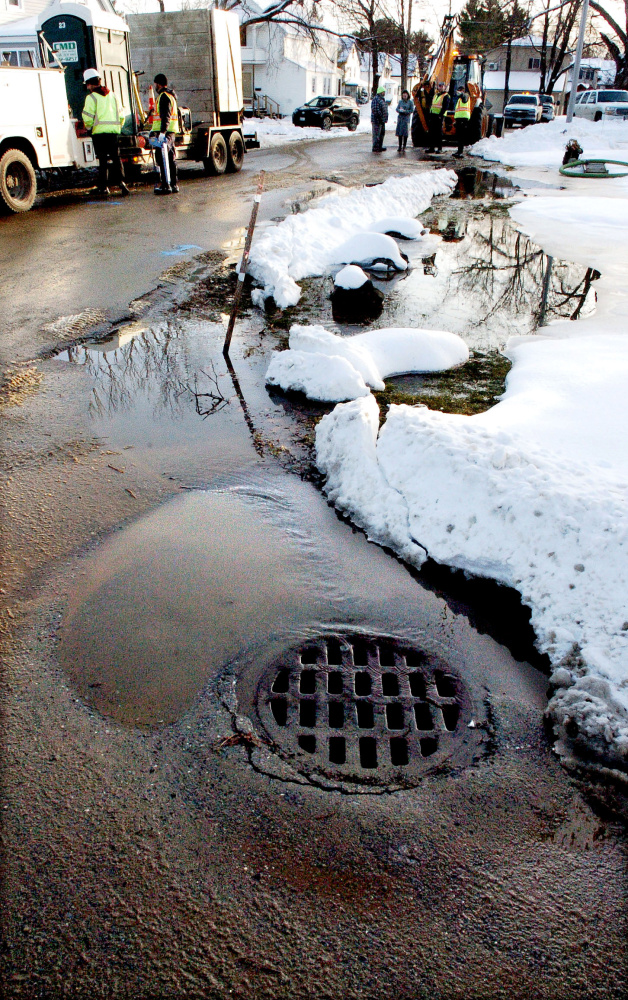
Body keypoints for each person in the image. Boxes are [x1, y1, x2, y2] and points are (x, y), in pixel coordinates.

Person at [81, 68, 129, 198]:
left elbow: (87, 117)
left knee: (102, 160)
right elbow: (121, 115)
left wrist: (89, 127)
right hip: (113, 133)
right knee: (116, 158)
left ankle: (103, 187)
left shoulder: (91, 98)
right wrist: (118, 126)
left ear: (89, 84)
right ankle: (122, 183)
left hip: (99, 134)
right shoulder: (113, 95)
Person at [151, 73, 179, 195]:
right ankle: (173, 184)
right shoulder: (170, 96)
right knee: (170, 158)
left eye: (155, 84)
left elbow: (165, 116)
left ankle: (166, 185)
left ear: (159, 84)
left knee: (162, 158)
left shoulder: (163, 97)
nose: (155, 86)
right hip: (170, 132)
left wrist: (162, 132)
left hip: (165, 133)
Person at [427, 82, 448, 154]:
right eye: (439, 86)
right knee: (432, 132)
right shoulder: (436, 95)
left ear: (444, 87)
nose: (440, 87)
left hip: (439, 117)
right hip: (433, 115)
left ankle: (439, 148)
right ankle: (431, 147)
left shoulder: (446, 96)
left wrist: (440, 115)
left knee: (438, 133)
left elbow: (445, 107)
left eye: (442, 86)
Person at [453, 85, 471, 159]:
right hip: (459, 119)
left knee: (461, 136)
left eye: (460, 91)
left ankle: (460, 152)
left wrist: (461, 94)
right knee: (459, 136)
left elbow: (464, 97)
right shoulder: (459, 100)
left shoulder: (465, 96)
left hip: (463, 119)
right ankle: (459, 151)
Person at [371, 85, 388, 152]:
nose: (384, 93)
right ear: (381, 92)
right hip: (377, 120)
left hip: (382, 120)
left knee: (382, 133)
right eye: (383, 92)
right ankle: (375, 147)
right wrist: (381, 117)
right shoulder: (376, 99)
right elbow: (375, 110)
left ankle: (380, 146)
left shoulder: (382, 99)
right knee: (376, 134)